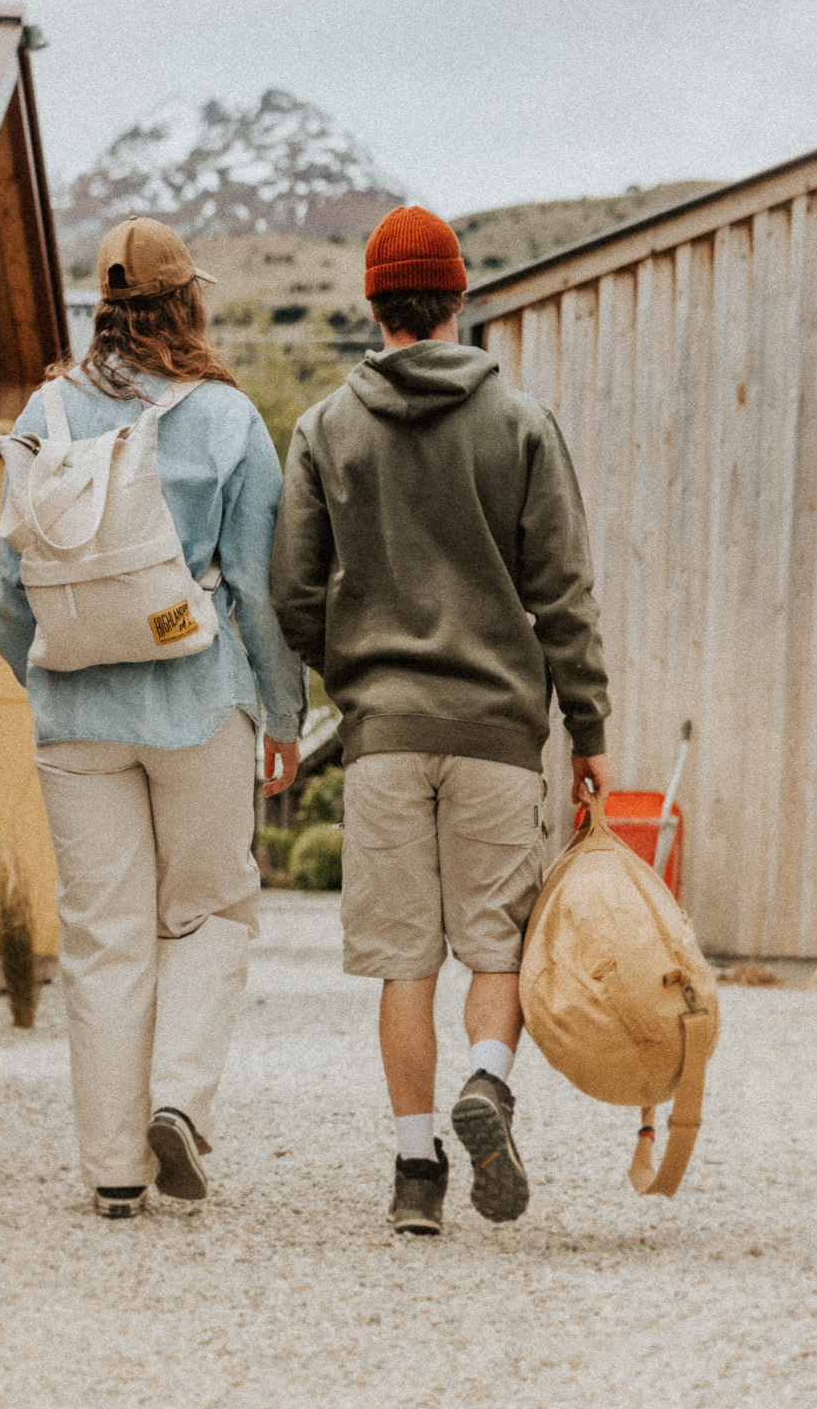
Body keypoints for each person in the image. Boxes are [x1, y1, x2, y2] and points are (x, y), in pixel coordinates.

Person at [270, 205, 612, 1236]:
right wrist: (588, 730)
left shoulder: (327, 428)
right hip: (499, 735)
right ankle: (488, 1079)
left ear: (374, 305)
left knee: (402, 959)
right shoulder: (521, 422)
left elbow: (290, 593)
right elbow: (566, 595)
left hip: (381, 736)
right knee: (497, 948)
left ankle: (416, 1172)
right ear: (458, 299)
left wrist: (358, 679)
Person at [0, 216, 304, 1220]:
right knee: (210, 908)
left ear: (105, 312)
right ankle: (177, 1099)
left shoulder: (46, 411)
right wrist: (284, 712)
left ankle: (115, 1171)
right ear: (188, 304)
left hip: (76, 714)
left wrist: (47, 680)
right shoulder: (226, 419)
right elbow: (256, 589)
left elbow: (11, 592)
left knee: (101, 933)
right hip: (197, 703)